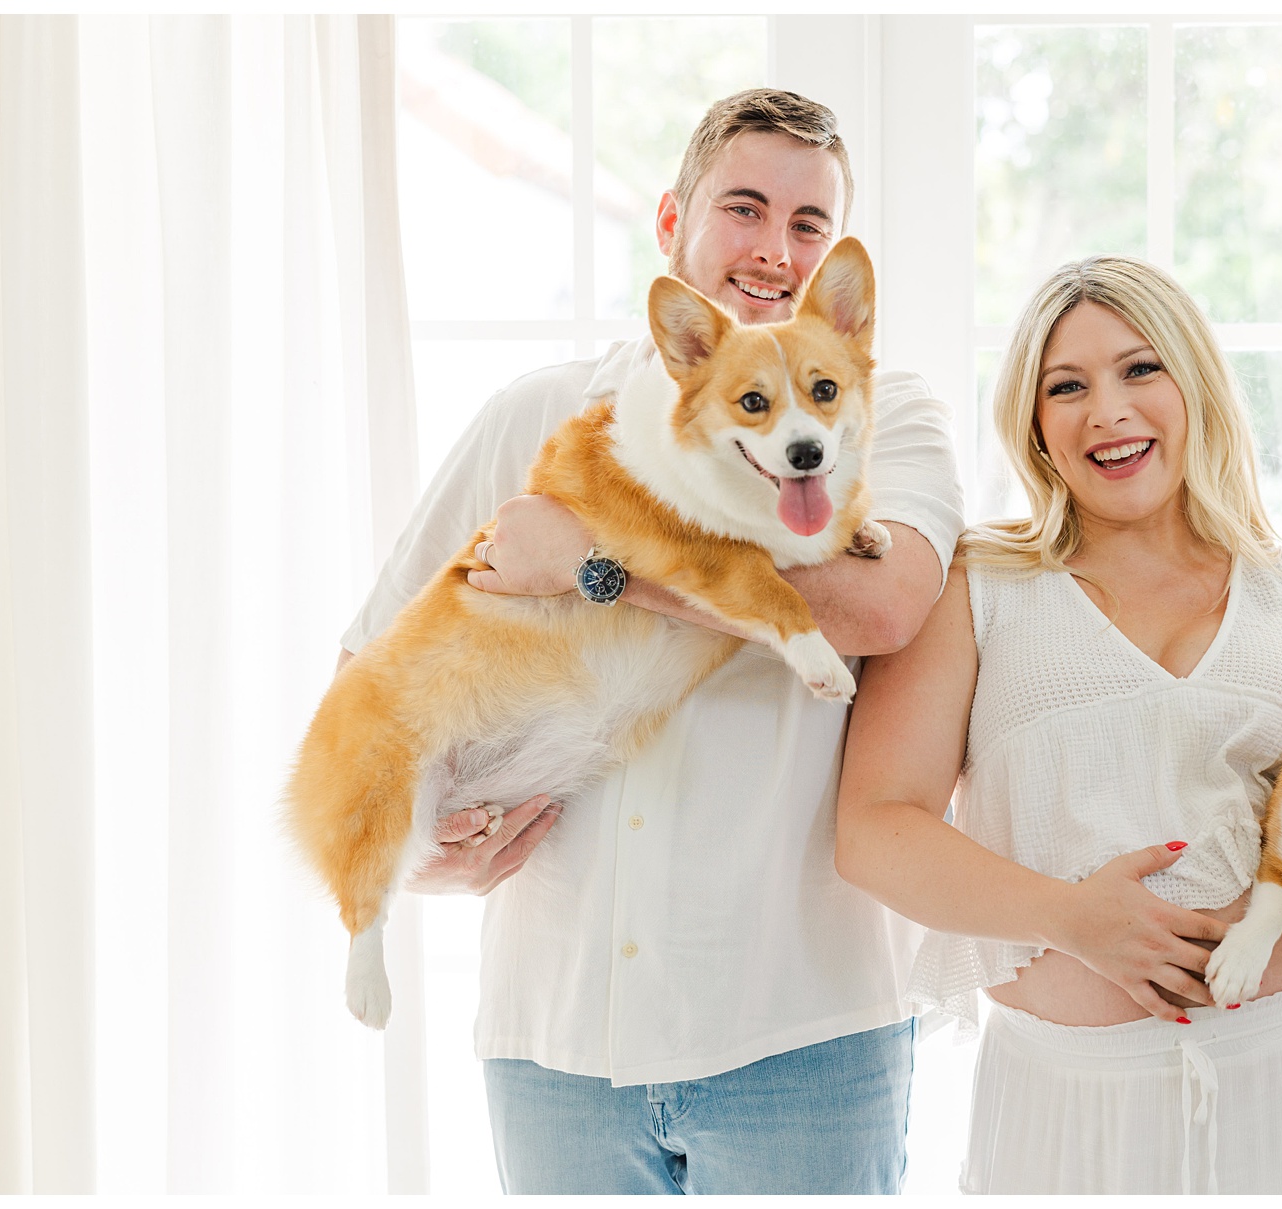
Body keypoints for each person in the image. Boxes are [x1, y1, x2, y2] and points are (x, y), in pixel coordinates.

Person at [337, 89, 964, 1194]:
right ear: (672, 224)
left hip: (800, 1033)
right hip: (555, 1045)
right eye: (746, 208)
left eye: (809, 225)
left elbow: (880, 608)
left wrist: (598, 566)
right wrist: (418, 855)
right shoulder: (533, 417)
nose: (776, 250)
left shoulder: (886, 414)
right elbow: (372, 676)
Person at [834, 255, 1282, 1194]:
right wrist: (1071, 919)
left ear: (1194, 383)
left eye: (1140, 369)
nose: (1106, 410)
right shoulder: (978, 588)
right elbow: (875, 828)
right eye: (1065, 386)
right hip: (1072, 1119)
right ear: (1035, 425)